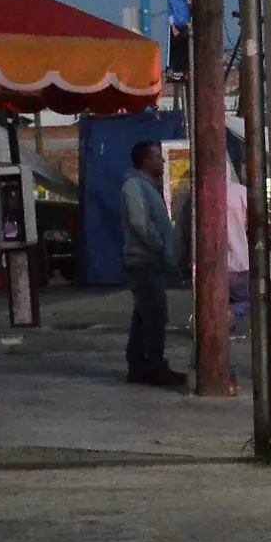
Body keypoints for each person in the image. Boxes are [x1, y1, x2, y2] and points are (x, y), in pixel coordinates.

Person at [122, 141, 184, 387]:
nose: (162, 161)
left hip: (152, 261)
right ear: (145, 161)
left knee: (144, 316)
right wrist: (158, 245)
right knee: (155, 316)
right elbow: (140, 223)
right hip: (144, 261)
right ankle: (155, 367)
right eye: (157, 157)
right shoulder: (134, 187)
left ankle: (139, 365)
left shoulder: (148, 187)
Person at [226, 171, 251, 336]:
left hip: (210, 263)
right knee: (246, 299)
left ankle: (226, 323)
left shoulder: (198, 191)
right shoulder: (241, 192)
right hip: (238, 258)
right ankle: (230, 317)